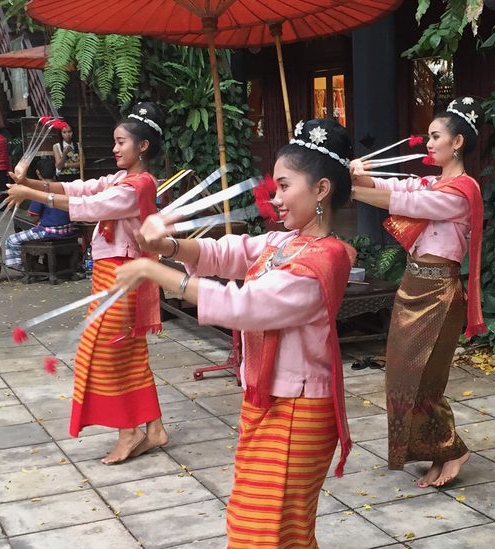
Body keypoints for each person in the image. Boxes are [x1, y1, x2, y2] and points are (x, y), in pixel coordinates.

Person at [113, 118, 355, 548]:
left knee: (261, 533)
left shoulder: (326, 258)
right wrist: (168, 246)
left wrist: (155, 271)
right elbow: (227, 252)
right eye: (275, 187)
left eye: (284, 186)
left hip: (298, 412)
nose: (275, 198)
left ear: (321, 190)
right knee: (277, 531)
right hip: (270, 402)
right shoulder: (287, 242)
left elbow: (246, 307)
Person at [6, 102, 168, 464]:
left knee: (101, 352)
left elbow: (94, 208)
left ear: (141, 146)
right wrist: (27, 180)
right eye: (114, 141)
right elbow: (80, 190)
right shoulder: (118, 179)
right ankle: (154, 430)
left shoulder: (138, 185)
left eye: (121, 142)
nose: (114, 148)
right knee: (129, 355)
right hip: (112, 275)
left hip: (124, 277)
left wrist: (30, 194)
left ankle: (129, 433)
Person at [350, 97, 487, 488]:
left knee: (426, 380)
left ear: (457, 142)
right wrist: (355, 175)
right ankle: (436, 450)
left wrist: (350, 188)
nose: (428, 143)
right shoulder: (432, 181)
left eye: (435, 136)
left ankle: (453, 449)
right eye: (428, 136)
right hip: (412, 283)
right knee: (401, 376)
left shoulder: (461, 190)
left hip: (440, 292)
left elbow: (408, 201)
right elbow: (394, 186)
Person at [4, 157, 76, 269]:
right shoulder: (63, 188)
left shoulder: (39, 192)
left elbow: (34, 218)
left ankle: (22, 266)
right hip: (68, 230)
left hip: (50, 232)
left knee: (11, 240)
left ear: (38, 173)